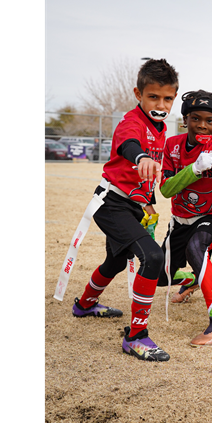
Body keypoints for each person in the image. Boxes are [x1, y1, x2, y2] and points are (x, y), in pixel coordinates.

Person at [70, 58, 178, 362]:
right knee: (153, 257)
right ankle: (136, 336)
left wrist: (150, 205)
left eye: (167, 98)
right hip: (111, 203)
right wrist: (141, 156)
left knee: (116, 261)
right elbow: (129, 145)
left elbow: (145, 178)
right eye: (153, 97)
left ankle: (86, 304)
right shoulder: (131, 121)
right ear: (138, 94)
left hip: (132, 207)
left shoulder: (161, 127)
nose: (160, 103)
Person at [157, 90, 212, 346]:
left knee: (197, 248)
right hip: (180, 218)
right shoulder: (172, 145)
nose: (202, 125)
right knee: (160, 275)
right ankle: (193, 278)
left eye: (210, 121)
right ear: (185, 120)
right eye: (196, 118)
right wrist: (192, 170)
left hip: (211, 215)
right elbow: (166, 189)